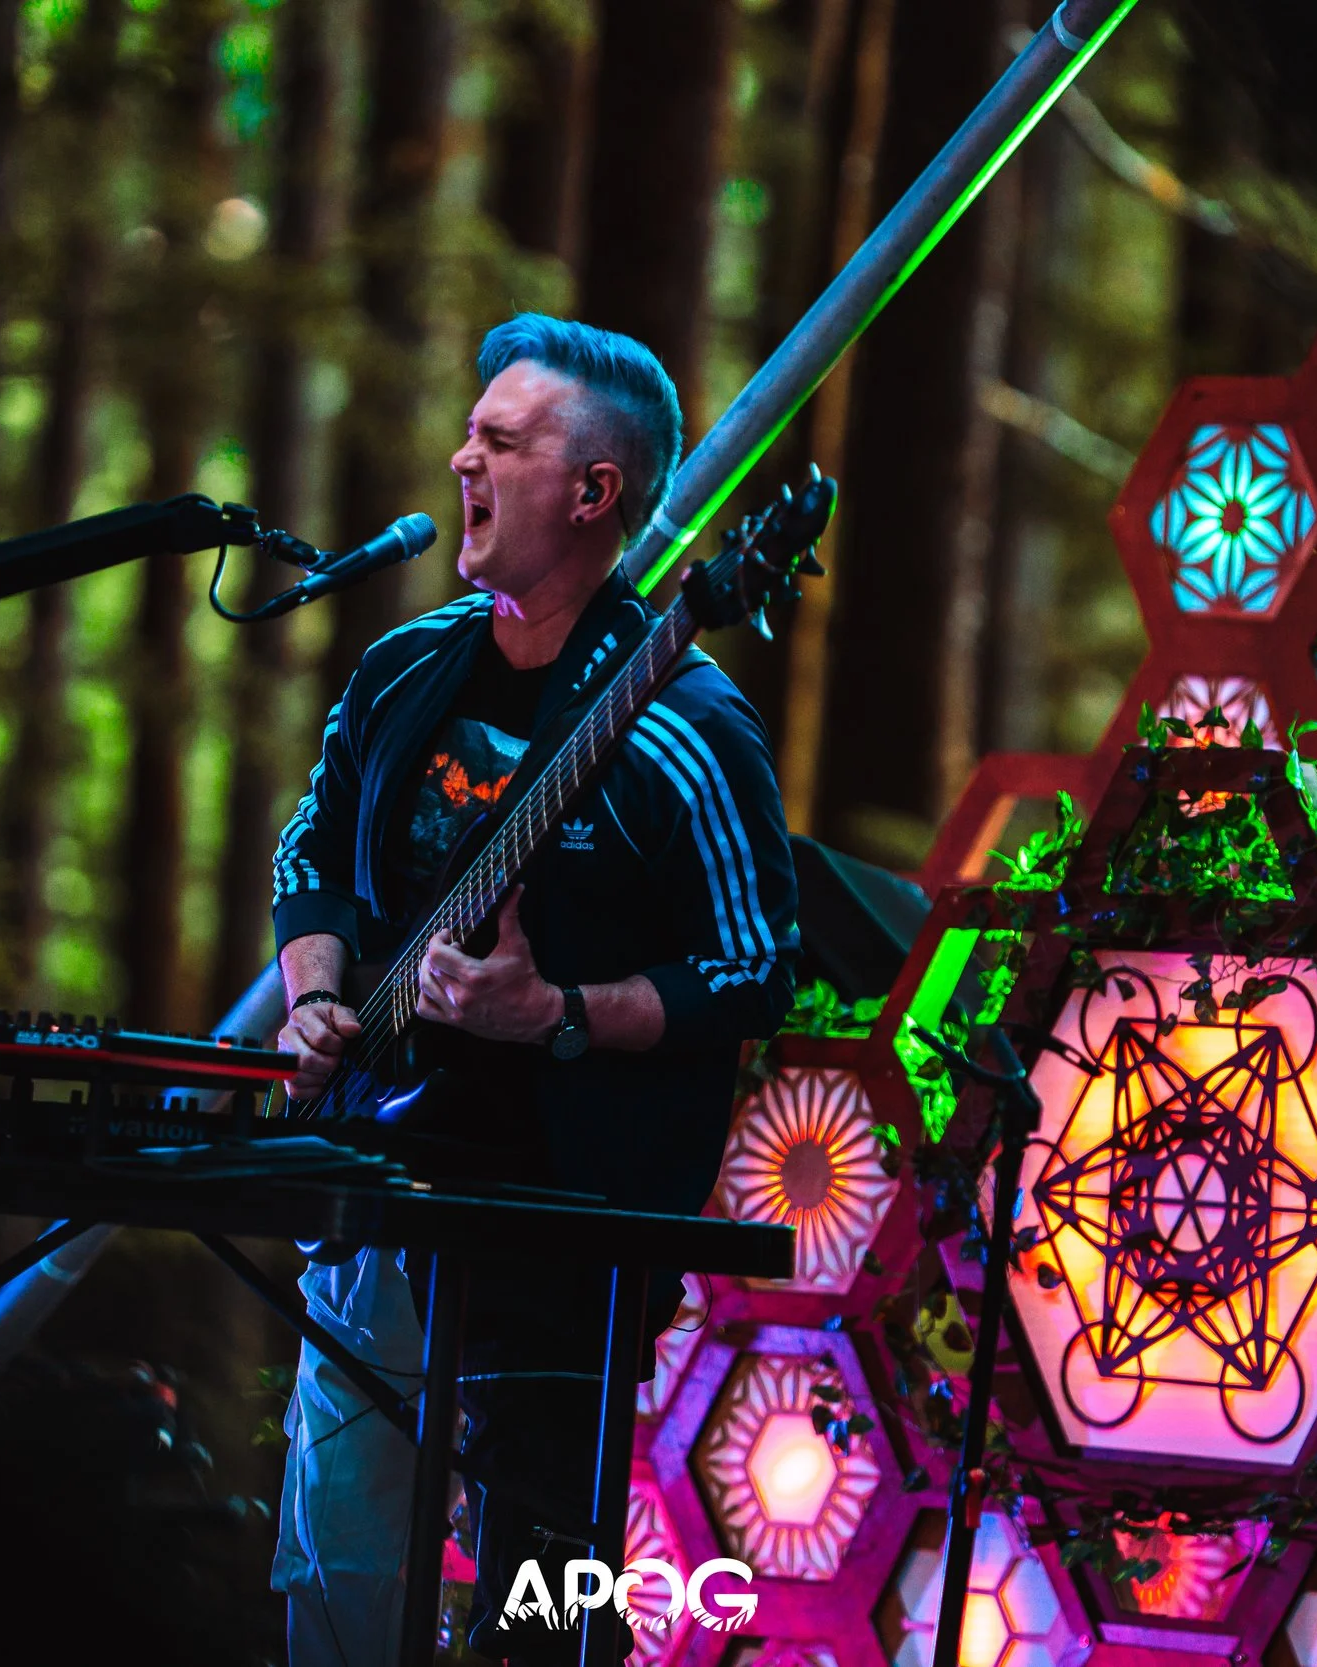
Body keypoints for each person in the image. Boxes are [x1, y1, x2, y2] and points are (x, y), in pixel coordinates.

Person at [265, 314, 798, 1665]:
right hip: (375, 1170)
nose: (463, 461)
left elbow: (752, 971)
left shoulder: (690, 727)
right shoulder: (404, 671)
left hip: (565, 1225)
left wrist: (554, 1014)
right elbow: (311, 851)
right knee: (337, 1551)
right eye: (470, 434)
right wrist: (316, 995)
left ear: (593, 491)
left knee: (542, 1594)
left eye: (500, 442)